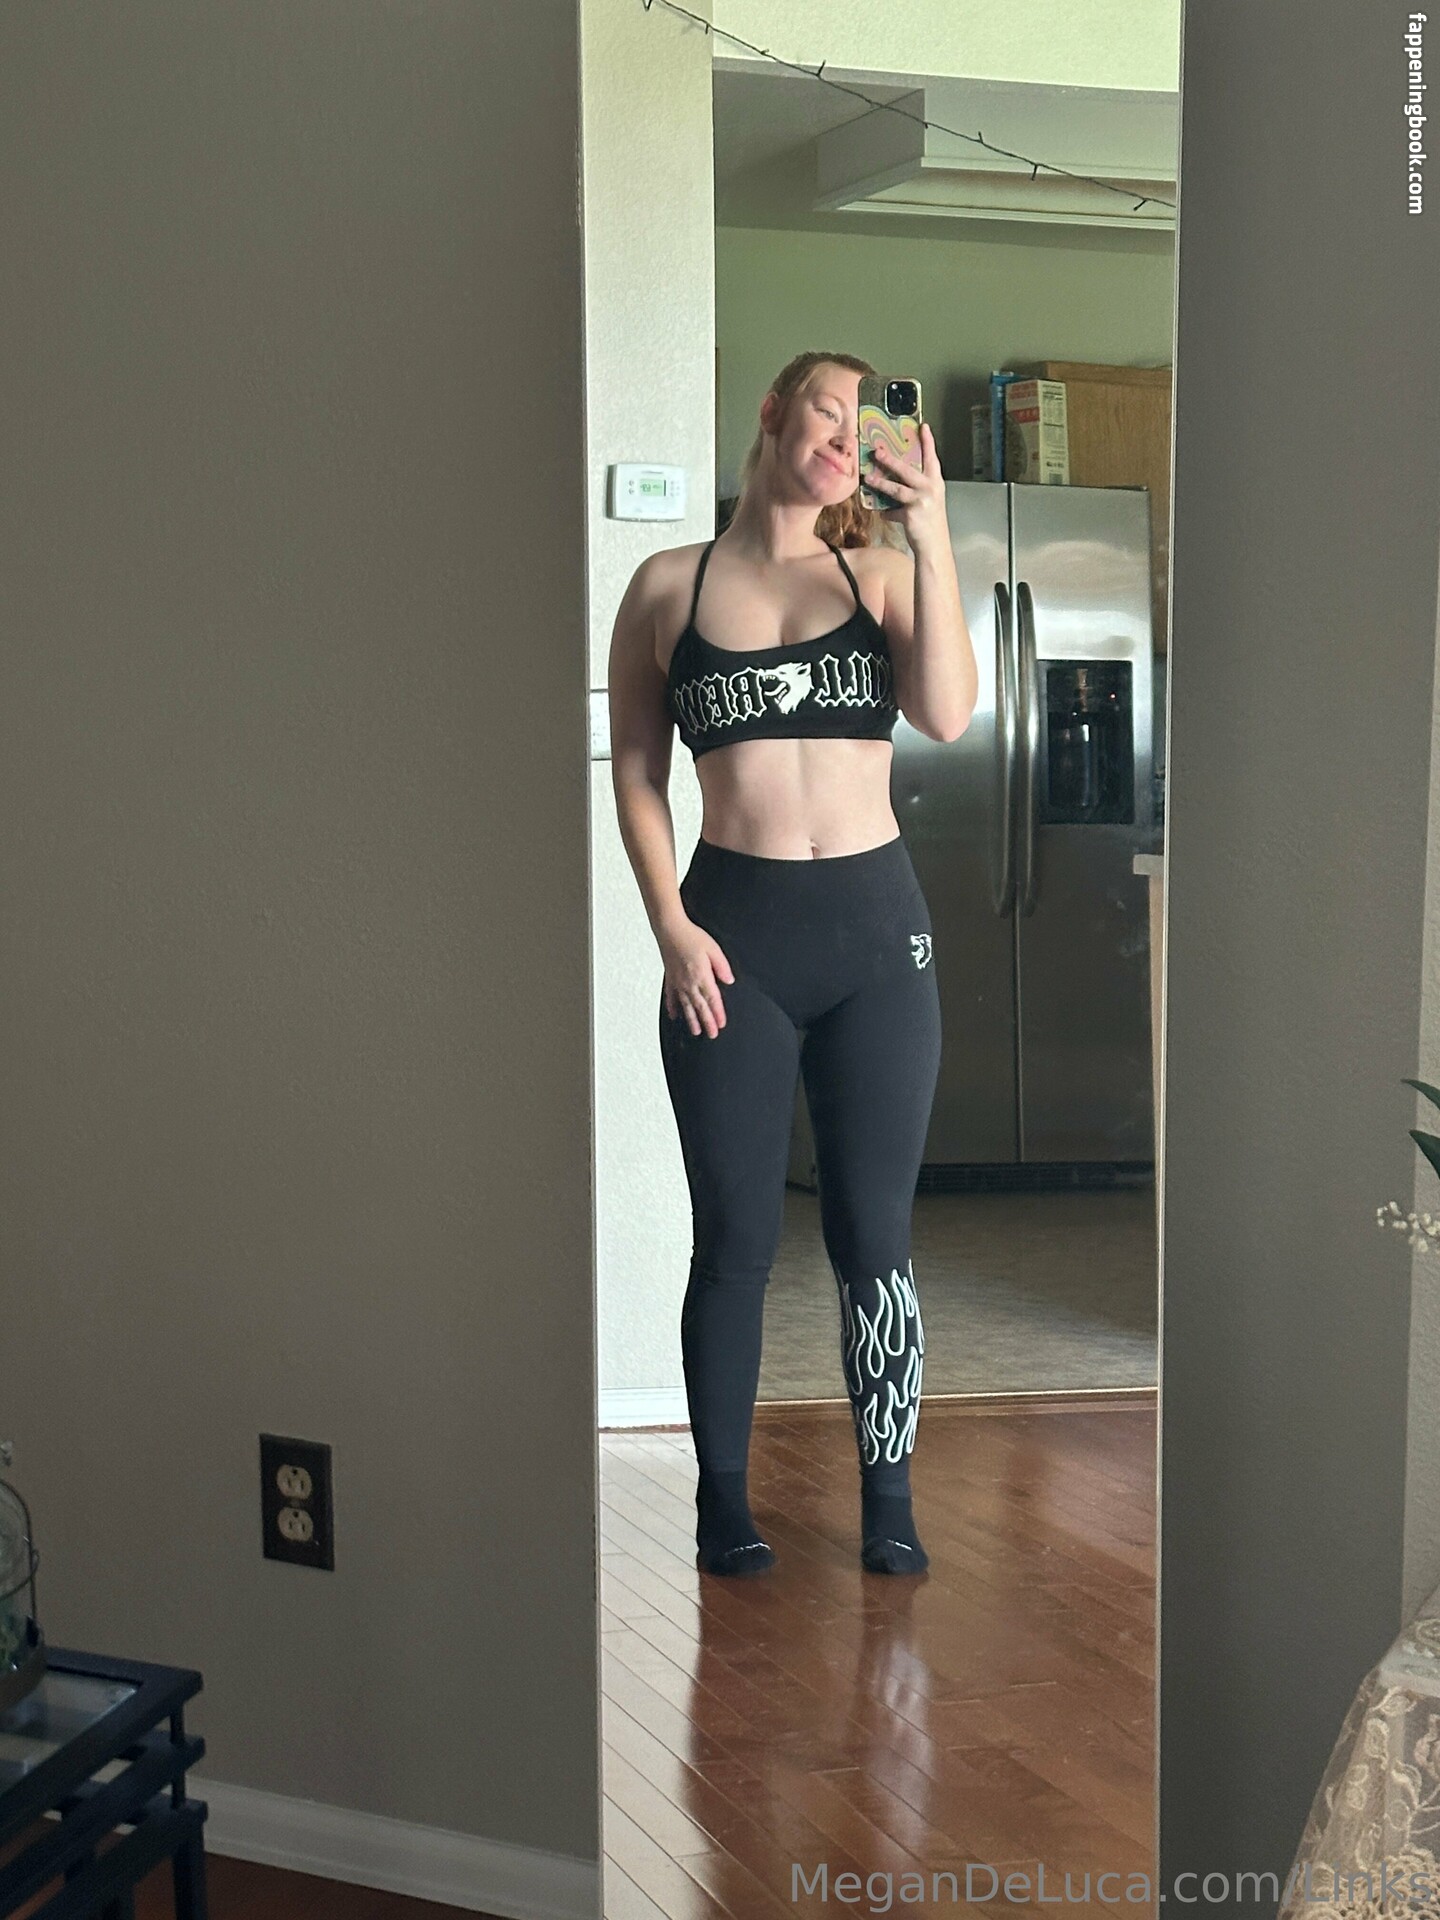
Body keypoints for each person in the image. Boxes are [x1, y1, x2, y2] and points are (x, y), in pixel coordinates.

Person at [606, 350, 977, 1576]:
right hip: (732, 943)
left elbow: (948, 713)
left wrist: (933, 532)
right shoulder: (668, 586)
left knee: (875, 1234)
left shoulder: (883, 572)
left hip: (877, 942)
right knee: (735, 1238)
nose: (844, 436)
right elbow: (635, 772)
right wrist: (670, 924)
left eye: (865, 424)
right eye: (828, 410)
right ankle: (723, 1502)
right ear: (773, 414)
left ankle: (890, 1501)